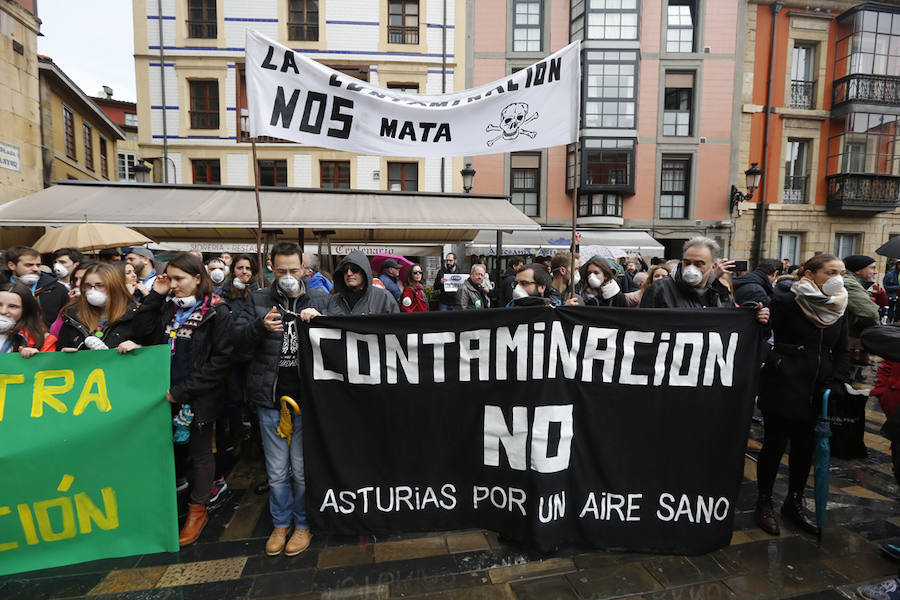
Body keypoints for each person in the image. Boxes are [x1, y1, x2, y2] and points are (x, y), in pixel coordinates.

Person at [232, 243, 327, 557]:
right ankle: (280, 523)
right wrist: (259, 329)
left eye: (294, 270)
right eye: (281, 271)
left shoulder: (320, 298)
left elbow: (341, 342)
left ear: (304, 268)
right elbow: (236, 341)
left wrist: (322, 321)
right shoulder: (259, 299)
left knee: (301, 470)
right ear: (270, 268)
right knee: (275, 471)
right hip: (270, 399)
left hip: (307, 400)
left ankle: (303, 524)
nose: (288, 276)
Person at [133, 252, 234, 546]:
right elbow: (142, 332)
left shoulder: (217, 311)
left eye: (180, 279)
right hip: (162, 395)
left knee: (200, 452)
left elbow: (221, 360)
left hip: (197, 398)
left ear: (197, 279)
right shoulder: (166, 307)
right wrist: (155, 295)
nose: (174, 285)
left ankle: (197, 510)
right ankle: (168, 505)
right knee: (167, 452)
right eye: (171, 278)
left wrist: (184, 390)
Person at [754, 254, 850, 537]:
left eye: (841, 272)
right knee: (774, 446)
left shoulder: (841, 304)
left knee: (804, 448)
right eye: (831, 272)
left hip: (818, 388)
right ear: (809, 274)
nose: (838, 278)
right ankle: (764, 501)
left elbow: (842, 348)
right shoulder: (787, 300)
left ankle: (794, 501)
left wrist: (839, 380)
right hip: (783, 383)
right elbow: (764, 330)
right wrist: (761, 320)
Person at [640, 238, 769, 326]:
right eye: (687, 262)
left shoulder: (720, 293)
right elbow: (643, 327)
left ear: (713, 267)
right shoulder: (660, 290)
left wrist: (754, 317)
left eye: (699, 264)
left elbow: (730, 324)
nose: (691, 268)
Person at [56, 263, 141, 353]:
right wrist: (64, 354)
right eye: (88, 286)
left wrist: (138, 347)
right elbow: (60, 351)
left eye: (100, 285)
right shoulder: (72, 316)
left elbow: (151, 351)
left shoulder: (136, 315)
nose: (93, 290)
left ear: (114, 287)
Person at [5, 246, 68, 328]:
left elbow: (65, 320)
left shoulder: (57, 289)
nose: (35, 269)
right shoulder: (3, 288)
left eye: (38, 265)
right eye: (29, 265)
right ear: (11, 265)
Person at [843, 255, 883, 375]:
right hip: (847, 342)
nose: (876, 272)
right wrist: (877, 333)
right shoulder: (849, 284)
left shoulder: (855, 283)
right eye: (872, 268)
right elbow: (869, 313)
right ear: (858, 270)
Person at [0, 282, 57, 356]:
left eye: (12, 306)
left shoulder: (42, 341)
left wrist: (35, 359)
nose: (3, 311)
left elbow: (49, 366)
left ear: (25, 311)